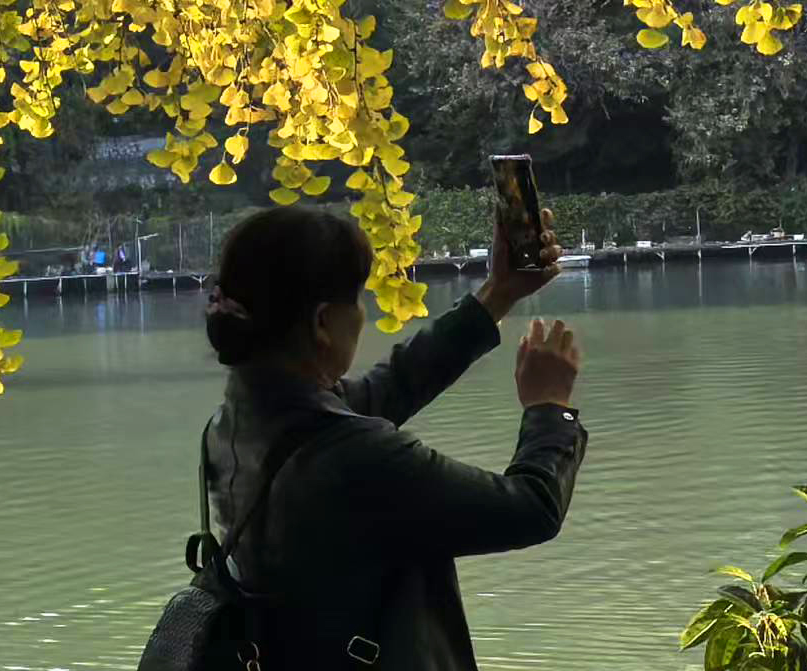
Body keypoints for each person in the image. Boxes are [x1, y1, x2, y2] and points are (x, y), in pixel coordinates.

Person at [197, 204, 583, 670]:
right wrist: (548, 407)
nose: (362, 315)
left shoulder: (235, 424)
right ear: (323, 323)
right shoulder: (356, 457)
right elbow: (531, 509)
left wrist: (498, 294)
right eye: (358, 301)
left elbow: (394, 384)